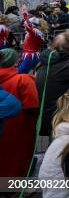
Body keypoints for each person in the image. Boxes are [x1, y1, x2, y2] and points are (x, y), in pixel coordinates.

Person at [0, 48, 39, 177]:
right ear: (15, 62)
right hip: (21, 129)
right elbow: (33, 107)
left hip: (3, 128)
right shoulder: (24, 80)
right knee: (18, 158)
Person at [18, 5, 48, 73]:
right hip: (32, 54)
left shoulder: (35, 32)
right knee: (33, 73)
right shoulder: (36, 32)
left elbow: (28, 26)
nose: (24, 26)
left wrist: (25, 14)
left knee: (20, 73)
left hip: (30, 56)